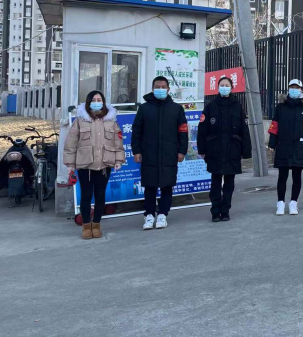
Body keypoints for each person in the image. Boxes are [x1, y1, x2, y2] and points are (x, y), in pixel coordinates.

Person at [64, 91, 126, 240]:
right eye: (93, 100)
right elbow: (71, 143)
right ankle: (86, 226)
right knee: (86, 195)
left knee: (100, 195)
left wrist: (118, 160)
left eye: (99, 100)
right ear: (88, 102)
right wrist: (70, 164)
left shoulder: (111, 120)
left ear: (103, 102)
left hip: (104, 165)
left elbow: (118, 143)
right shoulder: (80, 120)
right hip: (85, 165)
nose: (97, 102)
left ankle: (96, 225)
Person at [132, 77, 188, 231]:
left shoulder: (176, 109)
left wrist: (182, 151)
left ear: (168, 89)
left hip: (169, 153)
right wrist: (136, 151)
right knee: (149, 185)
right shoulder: (144, 108)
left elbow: (183, 132)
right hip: (149, 153)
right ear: (152, 89)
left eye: (163, 87)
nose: (160, 89)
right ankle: (149, 215)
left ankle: (163, 214)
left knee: (167, 185)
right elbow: (136, 131)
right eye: (157, 87)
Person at [197, 77, 251, 223]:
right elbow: (202, 129)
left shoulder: (237, 106)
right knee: (215, 182)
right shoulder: (211, 106)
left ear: (231, 88)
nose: (224, 87)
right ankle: (215, 211)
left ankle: (225, 210)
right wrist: (202, 149)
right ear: (218, 87)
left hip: (232, 150)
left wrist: (246, 151)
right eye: (222, 85)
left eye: (227, 85)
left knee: (229, 182)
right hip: (214, 150)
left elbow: (244, 130)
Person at [268, 80, 303, 216]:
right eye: (292, 87)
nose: (294, 90)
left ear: (301, 90)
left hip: (299, 146)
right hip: (283, 145)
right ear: (288, 89)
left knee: (297, 176)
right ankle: (280, 203)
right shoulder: (281, 107)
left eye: (297, 88)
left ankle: (293, 203)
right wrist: (272, 143)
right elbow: (274, 125)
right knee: (282, 176)